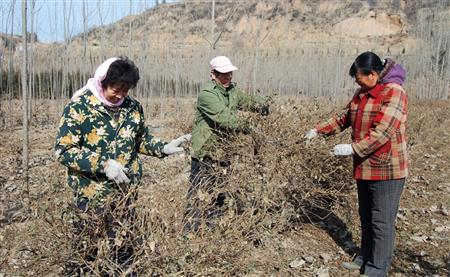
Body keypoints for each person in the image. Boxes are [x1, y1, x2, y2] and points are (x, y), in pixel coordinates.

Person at [55, 56, 190, 275]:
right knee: (83, 251)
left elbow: (140, 140)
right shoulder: (80, 106)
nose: (120, 95)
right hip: (92, 194)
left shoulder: (133, 108)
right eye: (116, 89)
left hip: (125, 193)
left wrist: (163, 147)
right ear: (102, 82)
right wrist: (104, 164)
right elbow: (64, 150)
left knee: (124, 249)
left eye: (125, 90)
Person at [305, 52, 407, 277]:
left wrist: (352, 148)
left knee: (381, 220)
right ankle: (365, 258)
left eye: (359, 77)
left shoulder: (394, 93)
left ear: (372, 74)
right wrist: (318, 131)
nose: (356, 81)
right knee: (367, 215)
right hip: (365, 167)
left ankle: (377, 268)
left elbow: (383, 133)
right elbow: (344, 118)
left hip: (387, 169)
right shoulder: (362, 93)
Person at [184, 56, 269, 233]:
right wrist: (249, 127)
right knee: (198, 195)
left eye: (230, 73)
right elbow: (225, 118)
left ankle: (212, 231)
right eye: (224, 74)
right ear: (213, 75)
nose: (228, 76)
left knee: (219, 194)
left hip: (224, 152)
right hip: (205, 152)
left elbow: (247, 101)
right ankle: (190, 234)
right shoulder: (207, 94)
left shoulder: (232, 90)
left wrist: (262, 106)